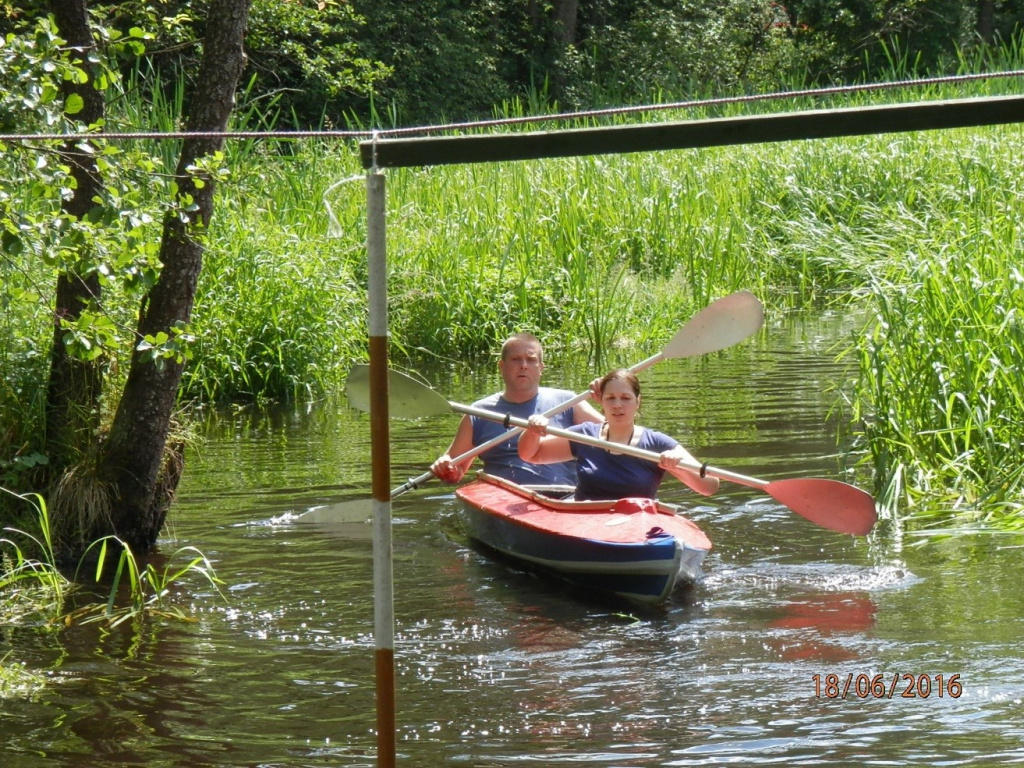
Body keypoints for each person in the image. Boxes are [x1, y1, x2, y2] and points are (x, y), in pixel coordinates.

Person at [517, 368, 720, 501]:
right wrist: (532, 431)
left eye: (625, 398)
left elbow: (710, 486)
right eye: (610, 398)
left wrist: (678, 468)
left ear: (637, 401)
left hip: (635, 525)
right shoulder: (585, 435)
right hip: (585, 522)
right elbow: (531, 455)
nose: (617, 405)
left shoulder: (657, 443)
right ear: (601, 401)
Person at [430, 332, 603, 485]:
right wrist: (446, 468)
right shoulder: (478, 413)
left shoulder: (569, 402)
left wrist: (608, 399)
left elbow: (618, 436)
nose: (524, 365)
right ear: (501, 366)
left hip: (560, 497)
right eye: (516, 359)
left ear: (541, 368)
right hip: (501, 500)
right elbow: (455, 470)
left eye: (531, 359)